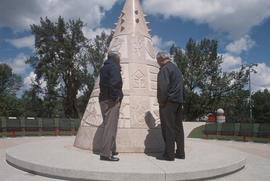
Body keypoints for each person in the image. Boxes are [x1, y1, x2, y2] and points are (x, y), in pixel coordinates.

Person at [156, 51, 185, 161]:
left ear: (160, 59)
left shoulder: (164, 69)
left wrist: (161, 102)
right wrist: (182, 101)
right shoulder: (176, 69)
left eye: (157, 61)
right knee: (178, 128)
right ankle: (181, 153)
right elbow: (182, 85)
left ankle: (169, 154)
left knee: (168, 128)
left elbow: (163, 88)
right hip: (178, 101)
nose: (157, 63)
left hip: (168, 102)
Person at [99, 51, 123, 162]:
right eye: (119, 59)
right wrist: (116, 97)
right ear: (116, 59)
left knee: (108, 125)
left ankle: (111, 149)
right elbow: (115, 83)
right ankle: (105, 154)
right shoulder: (114, 67)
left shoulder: (104, 68)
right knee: (110, 127)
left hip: (103, 99)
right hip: (111, 100)